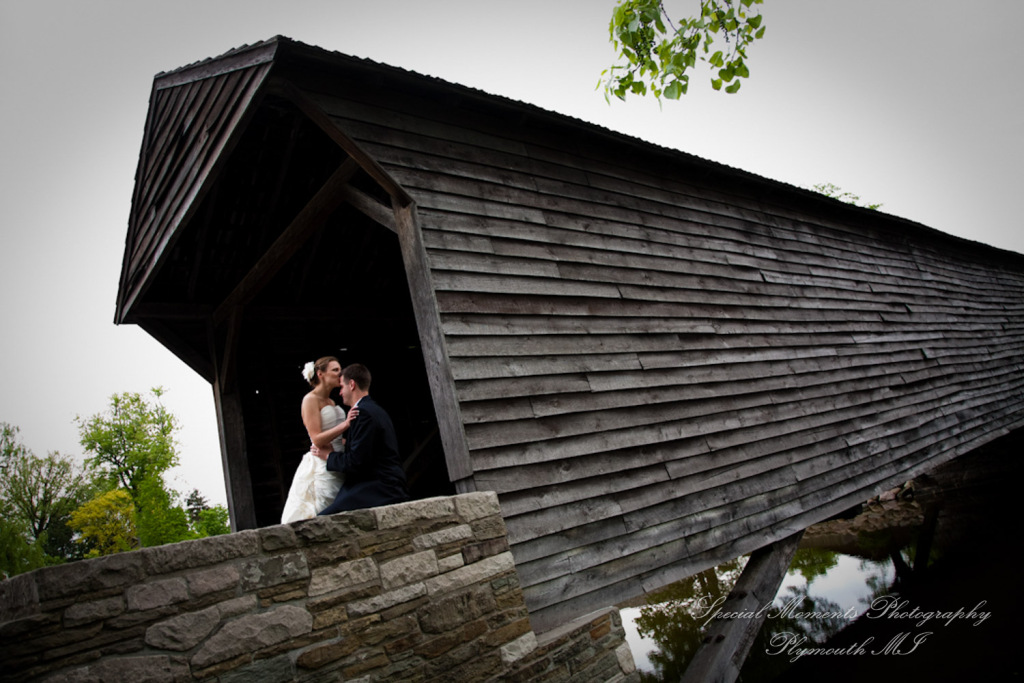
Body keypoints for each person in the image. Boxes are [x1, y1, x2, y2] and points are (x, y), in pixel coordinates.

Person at [313, 363, 409, 514]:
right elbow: (368, 448)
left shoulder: (363, 413)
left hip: (380, 486)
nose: (340, 393)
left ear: (351, 385)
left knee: (324, 518)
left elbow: (356, 462)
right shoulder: (374, 409)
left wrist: (328, 456)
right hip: (382, 482)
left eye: (341, 387)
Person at [280, 356, 359, 523]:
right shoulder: (310, 400)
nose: (340, 374)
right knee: (325, 509)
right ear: (320, 374)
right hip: (323, 464)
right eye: (335, 370)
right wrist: (346, 425)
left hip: (339, 459)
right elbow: (316, 439)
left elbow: (335, 437)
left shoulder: (331, 401)